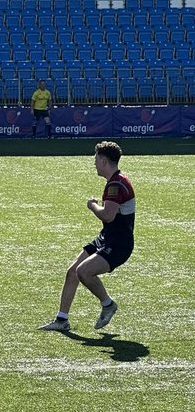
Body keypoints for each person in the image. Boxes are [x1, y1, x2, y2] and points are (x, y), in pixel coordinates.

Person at [39, 141, 135, 332]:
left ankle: (108, 305)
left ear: (104, 161)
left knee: (83, 271)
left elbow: (107, 215)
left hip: (118, 243)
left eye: (96, 159)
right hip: (107, 237)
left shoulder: (116, 184)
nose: (94, 163)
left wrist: (92, 205)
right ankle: (62, 320)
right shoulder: (117, 180)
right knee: (72, 271)